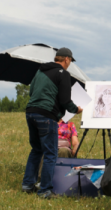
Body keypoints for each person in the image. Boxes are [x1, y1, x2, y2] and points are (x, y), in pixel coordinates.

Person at [21, 47, 83, 199]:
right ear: (67, 59)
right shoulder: (63, 74)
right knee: (50, 153)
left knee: (36, 150)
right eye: (70, 61)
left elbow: (32, 92)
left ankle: (28, 185)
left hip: (30, 112)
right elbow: (65, 100)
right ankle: (45, 191)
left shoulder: (40, 71)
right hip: (46, 115)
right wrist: (76, 109)